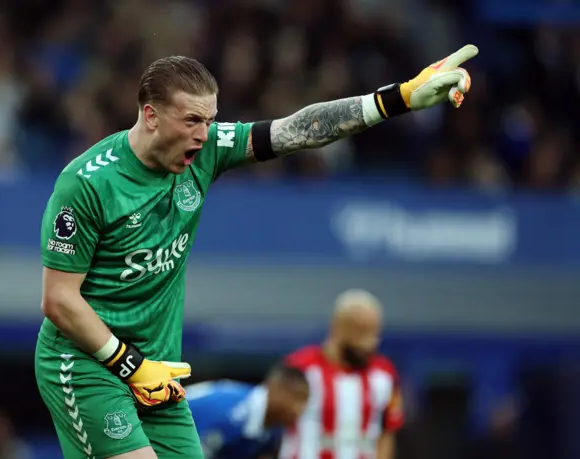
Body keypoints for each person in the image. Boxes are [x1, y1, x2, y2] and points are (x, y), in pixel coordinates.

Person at [35, 45, 478, 459]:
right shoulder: (88, 183)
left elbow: (296, 131)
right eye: (192, 120)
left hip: (156, 370)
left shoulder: (205, 150)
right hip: (86, 364)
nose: (204, 134)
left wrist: (395, 99)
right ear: (150, 115)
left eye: (210, 120)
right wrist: (128, 364)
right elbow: (58, 300)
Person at [279, 289, 404, 459]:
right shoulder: (298, 368)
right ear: (337, 328)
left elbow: (388, 432)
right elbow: (270, 427)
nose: (370, 344)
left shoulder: (385, 374)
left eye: (374, 333)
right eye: (360, 333)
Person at [185, 363, 309, 459]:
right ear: (276, 391)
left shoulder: (272, 428)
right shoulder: (233, 413)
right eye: (296, 399)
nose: (300, 409)